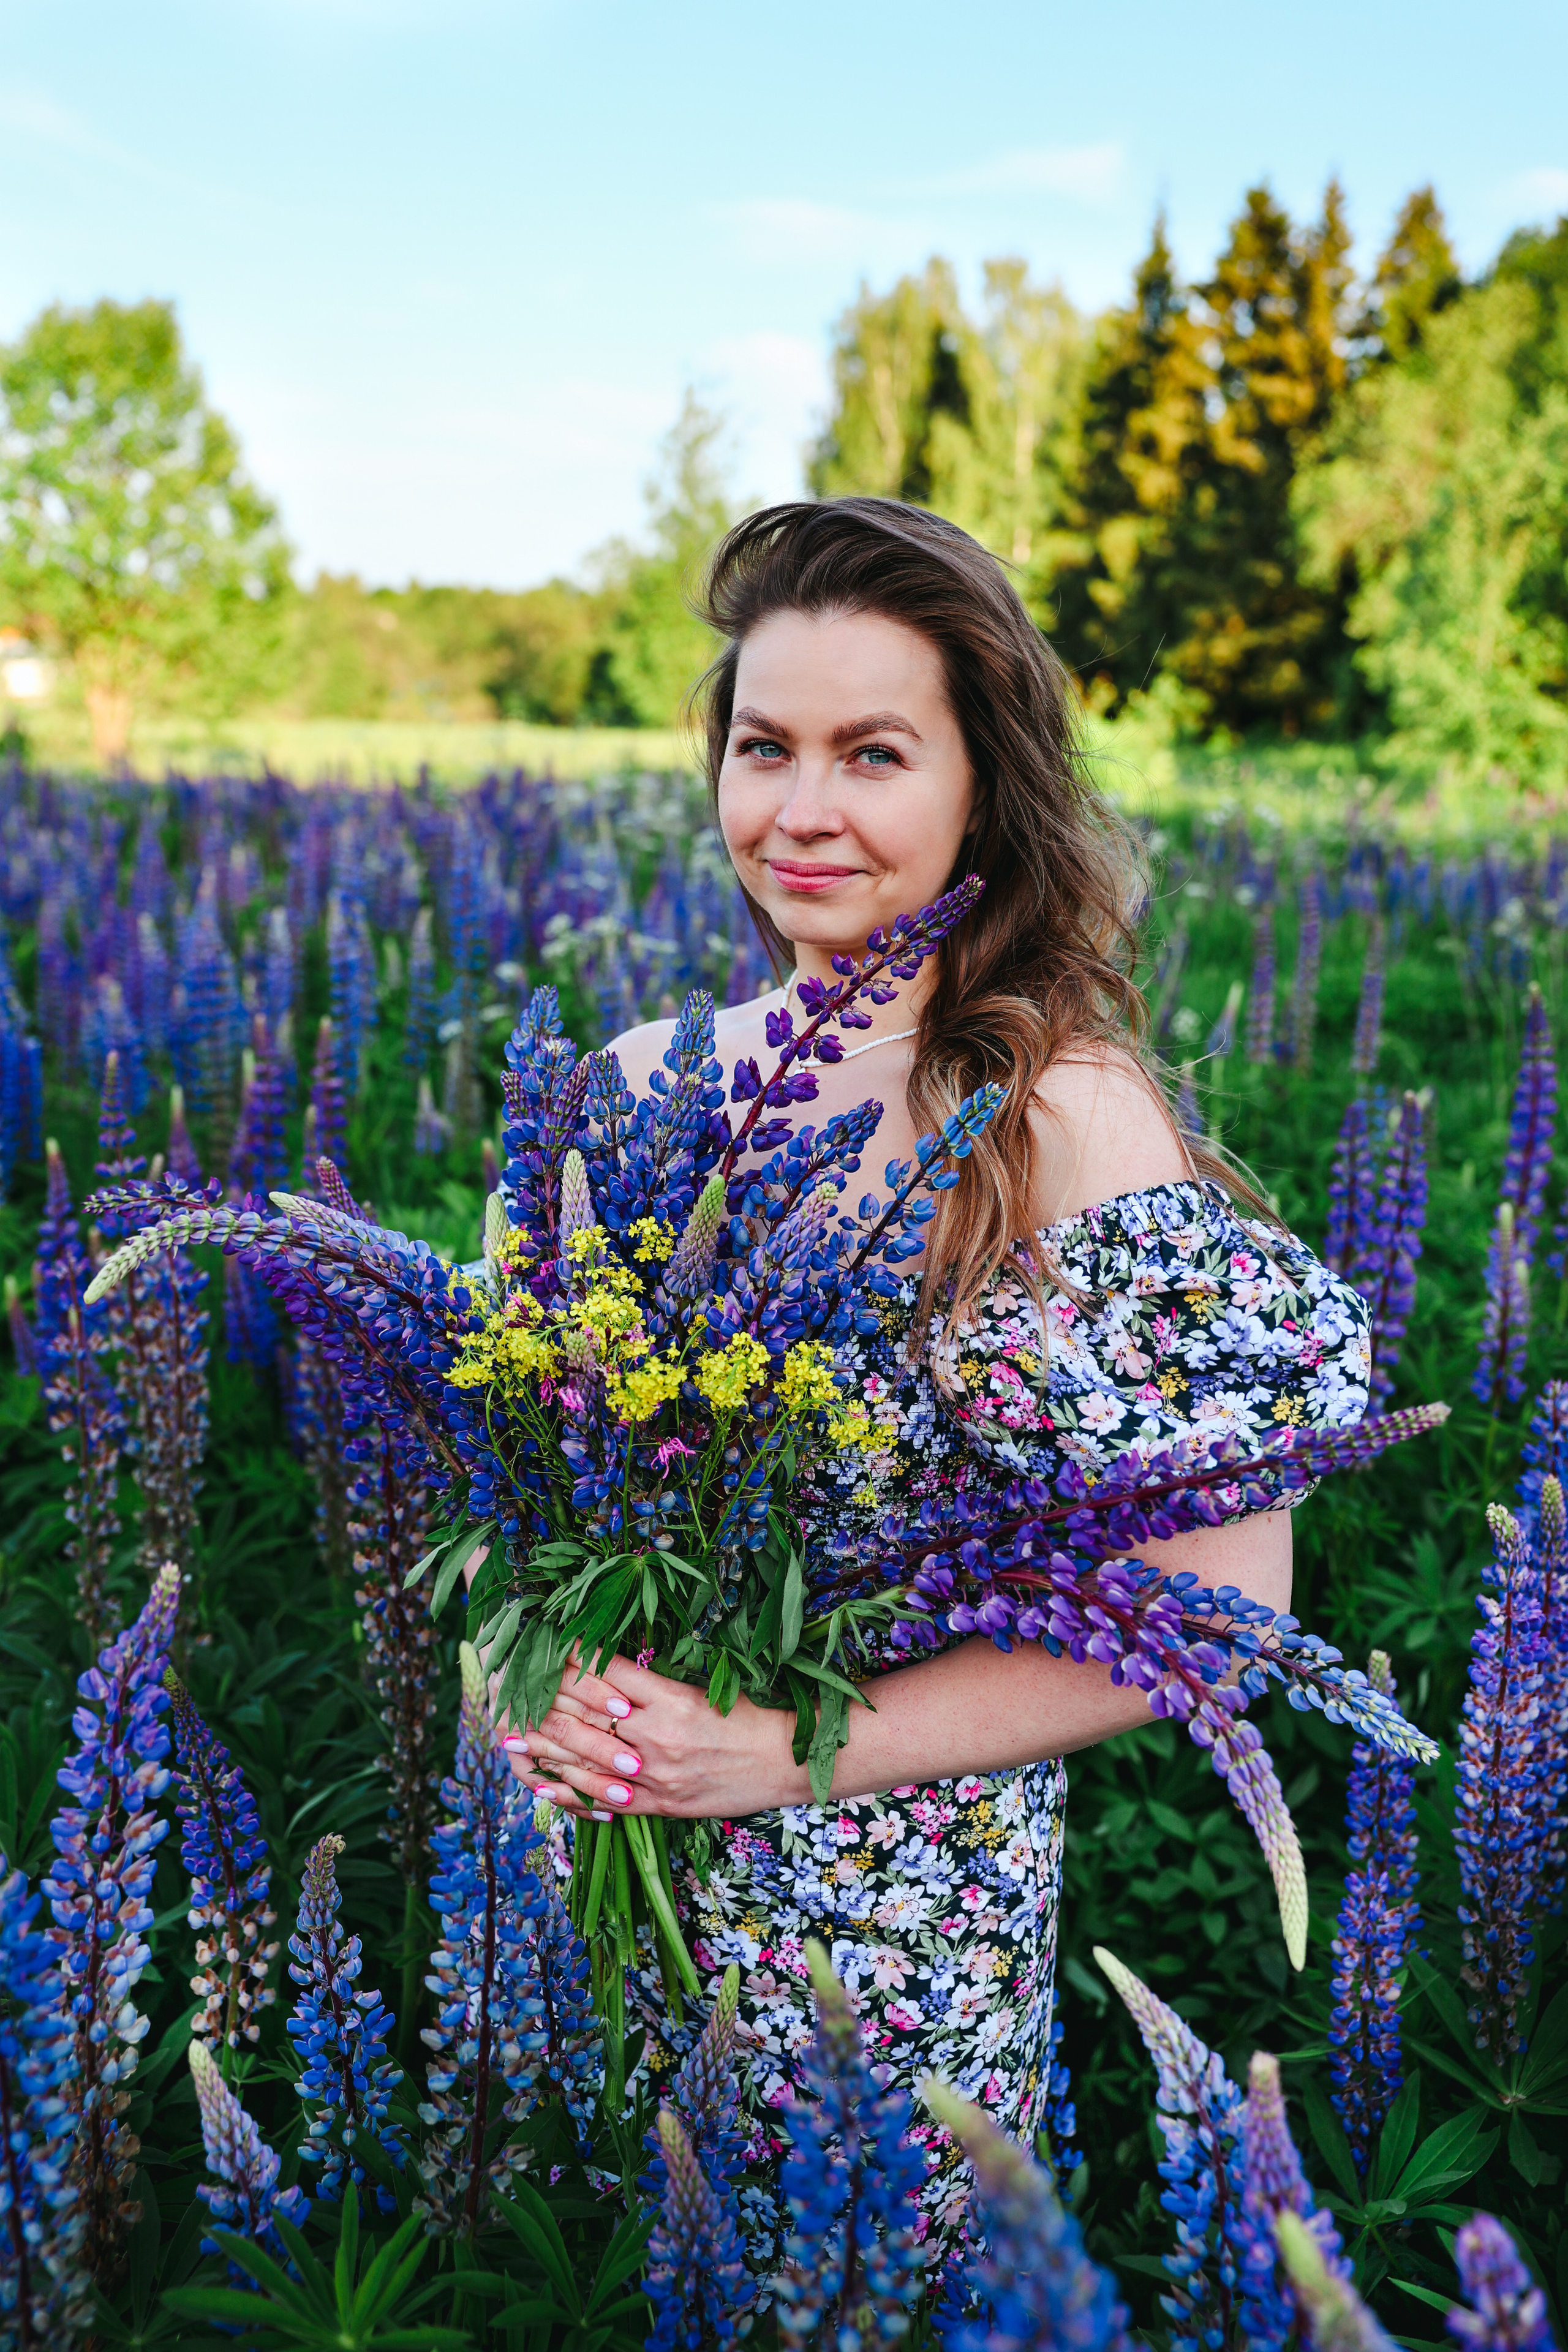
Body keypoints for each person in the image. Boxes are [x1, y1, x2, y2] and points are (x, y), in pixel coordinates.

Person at [498, 498, 1370, 2267]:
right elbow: (533, 1485)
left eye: (872, 752)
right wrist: (560, 1680)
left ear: (985, 783)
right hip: (594, 1886)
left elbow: (1219, 1609)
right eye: (765, 747)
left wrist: (772, 1759)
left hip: (891, 1938)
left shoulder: (1064, 1114)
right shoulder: (634, 1080)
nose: (801, 810)